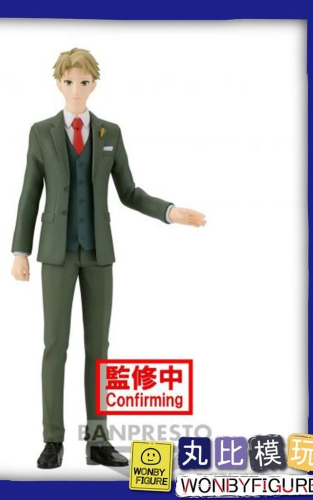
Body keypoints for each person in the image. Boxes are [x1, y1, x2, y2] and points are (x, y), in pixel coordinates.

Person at [11, 48, 206, 469]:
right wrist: (20, 251)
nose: (76, 90)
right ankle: (53, 439)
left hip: (99, 254)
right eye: (68, 82)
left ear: (93, 84)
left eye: (83, 82)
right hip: (56, 254)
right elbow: (30, 194)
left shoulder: (110, 133)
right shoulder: (41, 132)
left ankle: (98, 441)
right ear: (58, 84)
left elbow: (129, 192)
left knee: (99, 348)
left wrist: (169, 212)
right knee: (55, 346)